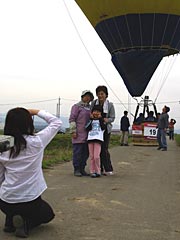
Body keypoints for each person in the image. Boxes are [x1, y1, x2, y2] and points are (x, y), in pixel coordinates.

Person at [0, 108, 62, 238]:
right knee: (48, 214)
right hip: (29, 202)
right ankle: (26, 224)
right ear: (28, 124)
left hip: (5, 202)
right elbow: (56, 123)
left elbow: (0, 176)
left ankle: (10, 221)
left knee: (13, 205)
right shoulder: (37, 142)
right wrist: (36, 111)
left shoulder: (3, 147)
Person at [91, 85, 115, 175]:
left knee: (104, 149)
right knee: (97, 150)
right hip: (96, 130)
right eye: (98, 94)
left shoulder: (110, 105)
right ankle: (98, 169)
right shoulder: (94, 103)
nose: (100, 96)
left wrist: (106, 120)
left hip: (105, 130)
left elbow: (112, 117)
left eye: (102, 94)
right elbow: (90, 113)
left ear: (106, 95)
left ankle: (108, 168)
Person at [69, 90, 94, 177]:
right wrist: (73, 131)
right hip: (78, 134)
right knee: (77, 152)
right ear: (82, 97)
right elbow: (72, 119)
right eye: (86, 96)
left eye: (89, 96)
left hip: (88, 135)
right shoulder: (76, 107)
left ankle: (82, 168)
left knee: (85, 153)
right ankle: (77, 169)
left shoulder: (90, 108)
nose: (87, 98)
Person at [86, 105, 106, 178]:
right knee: (92, 156)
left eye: (98, 111)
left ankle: (98, 170)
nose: (96, 113)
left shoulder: (102, 121)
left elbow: (104, 128)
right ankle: (92, 171)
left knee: (96, 156)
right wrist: (91, 119)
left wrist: (100, 119)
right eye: (94, 111)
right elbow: (87, 128)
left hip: (98, 139)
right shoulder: (90, 120)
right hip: (90, 139)